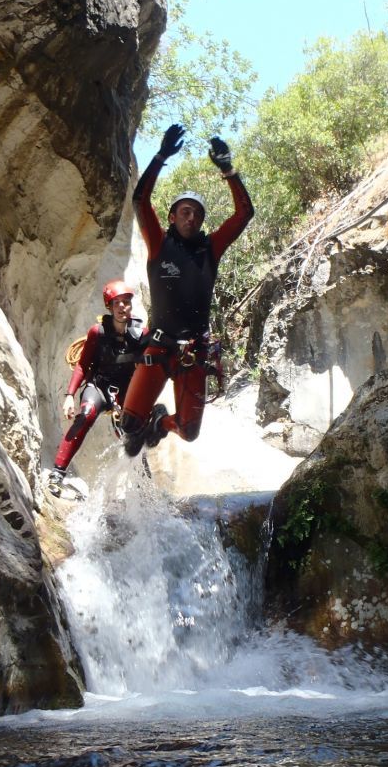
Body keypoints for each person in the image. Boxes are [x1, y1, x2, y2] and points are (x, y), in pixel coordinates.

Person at [119, 123, 254, 457]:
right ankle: (146, 423)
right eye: (185, 212)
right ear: (173, 216)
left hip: (194, 352)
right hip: (159, 347)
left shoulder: (210, 249)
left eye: (197, 214)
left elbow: (244, 213)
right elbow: (140, 199)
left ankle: (161, 422)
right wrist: (162, 155)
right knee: (129, 426)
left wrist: (228, 169)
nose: (191, 218)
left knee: (189, 432)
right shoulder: (159, 243)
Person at [52, 279, 146, 493]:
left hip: (126, 391)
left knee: (134, 433)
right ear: (110, 307)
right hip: (100, 386)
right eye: (117, 303)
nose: (122, 307)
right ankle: (57, 473)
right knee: (85, 415)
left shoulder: (142, 332)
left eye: (126, 302)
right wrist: (69, 395)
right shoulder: (98, 332)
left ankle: (143, 485)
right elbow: (83, 365)